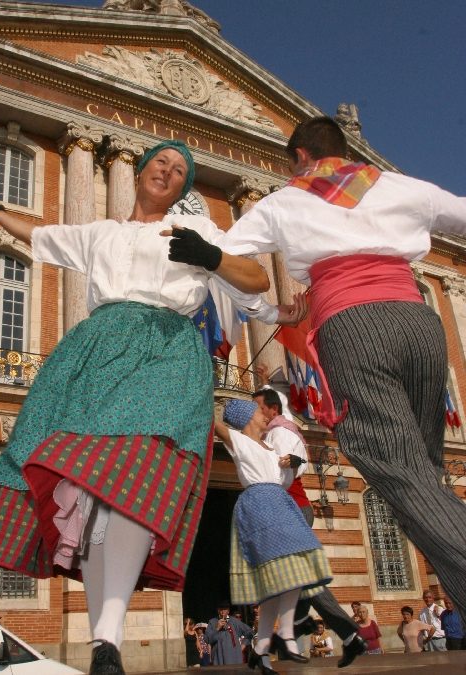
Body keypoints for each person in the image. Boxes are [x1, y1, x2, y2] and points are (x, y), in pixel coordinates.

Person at [0, 140, 277, 675]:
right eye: (162, 162)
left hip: (166, 348)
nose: (169, 172)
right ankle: (103, 644)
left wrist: (211, 257)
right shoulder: (100, 232)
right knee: (84, 490)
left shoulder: (197, 231)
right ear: (140, 170)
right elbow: (40, 237)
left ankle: (107, 636)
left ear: (182, 187)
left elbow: (256, 279)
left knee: (139, 478)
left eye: (180, 171)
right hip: (98, 347)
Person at [167, 115, 466, 627]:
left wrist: (219, 267)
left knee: (400, 472)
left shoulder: (285, 200)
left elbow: (231, 254)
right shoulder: (398, 185)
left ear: (300, 157)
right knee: (423, 472)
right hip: (418, 323)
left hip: (353, 324)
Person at [251, 383, 365, 668]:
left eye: (258, 407)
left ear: (272, 409)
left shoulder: (280, 431)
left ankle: (348, 634)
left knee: (304, 577)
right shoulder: (276, 428)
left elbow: (287, 468)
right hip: (287, 508)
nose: (255, 412)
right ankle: (291, 629)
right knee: (291, 577)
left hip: (290, 508)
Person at [216, 399, 332, 675]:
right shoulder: (239, 440)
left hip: (280, 502)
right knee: (287, 572)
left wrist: (293, 463)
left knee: (289, 575)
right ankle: (286, 636)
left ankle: (261, 650)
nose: (265, 415)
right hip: (259, 505)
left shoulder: (272, 447)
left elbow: (286, 479)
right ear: (246, 418)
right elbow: (214, 424)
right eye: (258, 411)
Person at [204, 601, 252, 666]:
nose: (223, 612)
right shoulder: (212, 622)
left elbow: (249, 632)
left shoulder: (234, 621)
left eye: (225, 609)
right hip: (218, 657)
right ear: (218, 611)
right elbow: (207, 639)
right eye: (221, 609)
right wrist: (217, 628)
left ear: (228, 611)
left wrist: (243, 645)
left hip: (233, 657)